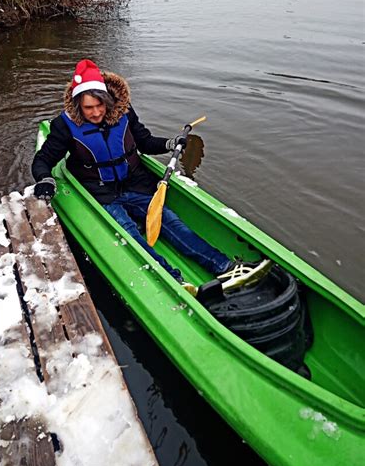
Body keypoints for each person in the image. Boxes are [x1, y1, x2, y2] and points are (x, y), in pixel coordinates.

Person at [32, 59, 270, 298]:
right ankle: (171, 279)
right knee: (128, 233)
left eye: (99, 105)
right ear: (78, 105)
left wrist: (169, 143)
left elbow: (144, 141)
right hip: (101, 192)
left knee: (171, 222)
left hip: (135, 183)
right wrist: (45, 179)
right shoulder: (64, 125)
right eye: (88, 107)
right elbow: (43, 160)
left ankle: (225, 266)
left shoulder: (124, 113)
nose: (95, 113)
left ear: (107, 100)